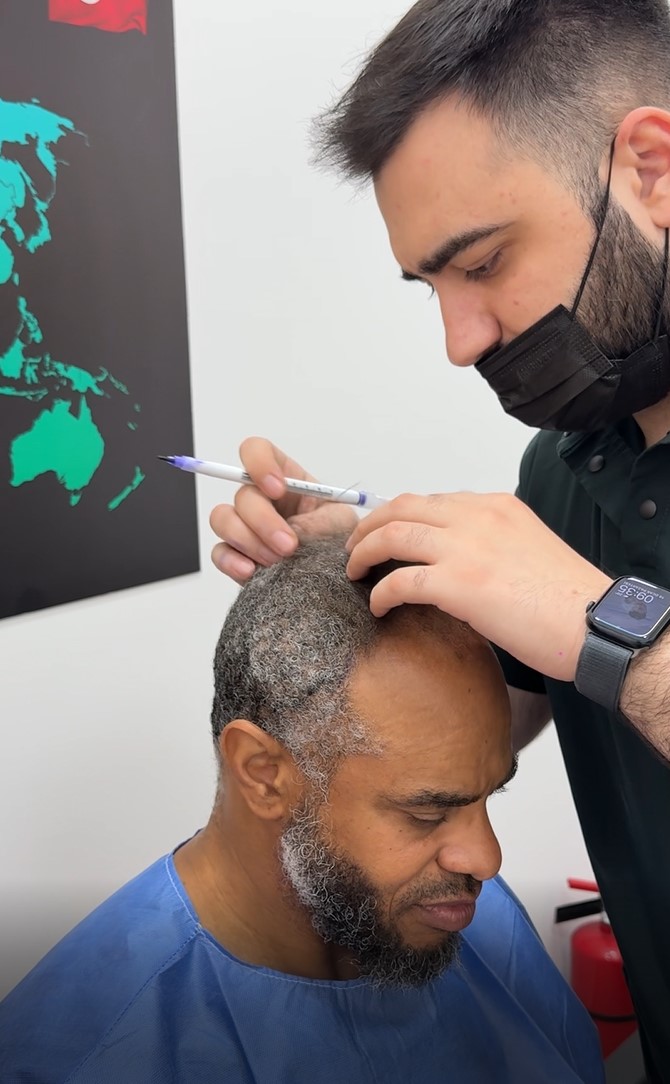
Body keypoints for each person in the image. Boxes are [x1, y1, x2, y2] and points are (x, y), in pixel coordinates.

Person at [208, 2, 670, 1080]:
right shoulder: (565, 470)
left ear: (650, 168)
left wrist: (609, 631)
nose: (460, 343)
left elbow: (596, 649)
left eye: (482, 262)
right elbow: (511, 716)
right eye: (431, 286)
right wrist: (365, 582)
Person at [0, 538, 604, 1083]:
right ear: (264, 774)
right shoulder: (87, 1050)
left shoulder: (468, 916)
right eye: (426, 814)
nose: (487, 861)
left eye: (488, 795)